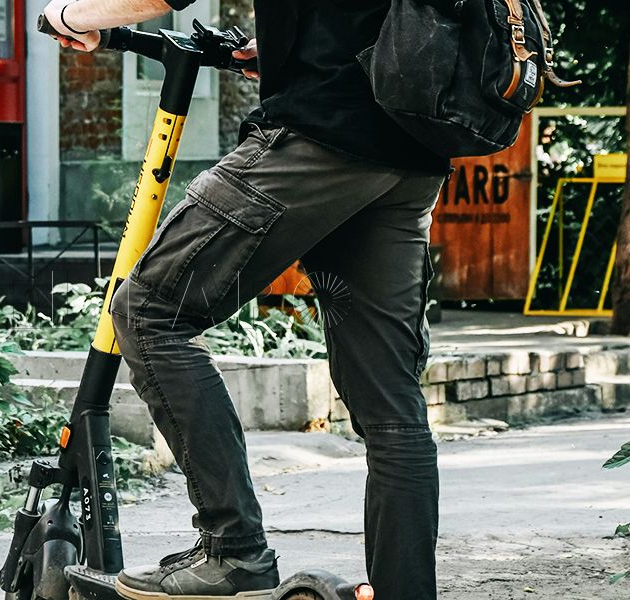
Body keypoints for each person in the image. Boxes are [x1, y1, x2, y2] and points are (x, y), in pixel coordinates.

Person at [41, 1, 453, 598]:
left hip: (320, 136)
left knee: (149, 311)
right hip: (410, 153)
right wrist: (289, 49)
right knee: (392, 407)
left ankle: (234, 551)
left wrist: (73, 14)